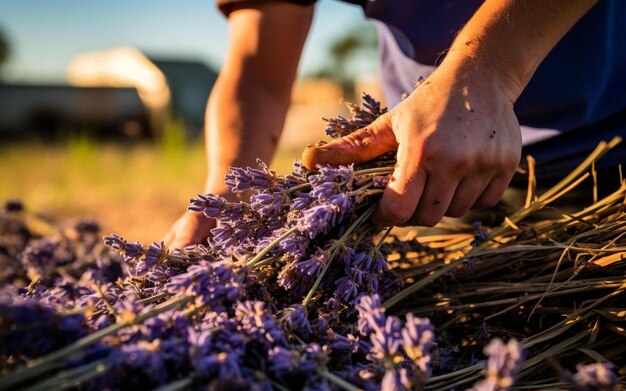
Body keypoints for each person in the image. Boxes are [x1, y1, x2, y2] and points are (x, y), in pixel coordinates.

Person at [165, 0, 626, 249]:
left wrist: (488, 72)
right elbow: (259, 73)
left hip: (607, 159)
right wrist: (230, 188)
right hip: (436, 179)